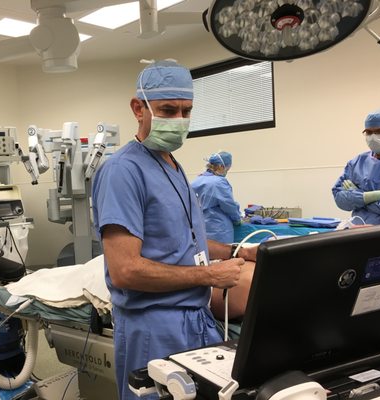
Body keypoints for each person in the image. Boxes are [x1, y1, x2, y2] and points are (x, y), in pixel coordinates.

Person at [92, 60, 257, 400]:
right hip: (155, 325)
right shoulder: (123, 171)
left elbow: (186, 241)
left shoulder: (173, 165)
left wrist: (236, 252)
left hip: (195, 319)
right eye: (168, 110)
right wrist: (209, 277)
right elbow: (125, 271)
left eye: (186, 111)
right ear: (139, 108)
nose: (179, 121)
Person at [332, 108, 380, 225]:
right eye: (369, 132)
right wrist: (372, 196)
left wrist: (359, 198)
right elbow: (339, 198)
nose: (373, 136)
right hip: (357, 232)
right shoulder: (357, 162)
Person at [191, 152, 242, 244]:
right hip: (218, 230)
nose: (226, 171)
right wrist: (237, 219)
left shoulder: (196, 181)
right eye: (227, 168)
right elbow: (229, 206)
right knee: (223, 256)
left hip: (200, 228)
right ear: (221, 166)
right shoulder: (219, 183)